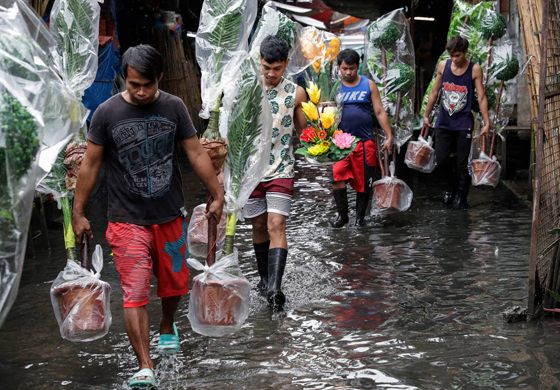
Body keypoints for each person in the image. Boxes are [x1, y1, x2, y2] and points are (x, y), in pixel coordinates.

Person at [72, 45, 224, 387]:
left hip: (169, 215)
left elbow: (196, 151)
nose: (140, 92)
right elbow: (91, 165)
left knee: (174, 285)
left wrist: (217, 194)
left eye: (147, 85)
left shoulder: (174, 106)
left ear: (160, 78)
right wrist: (78, 212)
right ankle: (145, 365)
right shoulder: (107, 113)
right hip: (125, 220)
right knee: (135, 290)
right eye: (133, 84)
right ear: (123, 78)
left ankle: (167, 324)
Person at [243, 35, 307, 311]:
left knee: (276, 226)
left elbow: (304, 132)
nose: (270, 74)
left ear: (286, 65)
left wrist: (325, 141)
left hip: (282, 168)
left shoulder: (296, 93)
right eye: (266, 67)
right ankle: (264, 279)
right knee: (258, 226)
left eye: (277, 68)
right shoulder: (247, 91)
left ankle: (275, 288)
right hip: (250, 172)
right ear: (259, 61)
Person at [423, 35, 490, 210]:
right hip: (444, 121)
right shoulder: (443, 66)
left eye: (458, 56)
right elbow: (434, 91)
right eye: (452, 55)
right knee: (442, 160)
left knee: (462, 162)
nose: (454, 59)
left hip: (464, 122)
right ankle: (451, 187)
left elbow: (481, 97)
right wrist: (426, 114)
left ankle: (462, 195)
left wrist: (486, 122)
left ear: (465, 53)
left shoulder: (474, 69)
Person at [331, 49, 393, 227]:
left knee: (364, 181)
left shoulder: (369, 84)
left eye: (351, 68)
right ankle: (342, 217)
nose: (347, 72)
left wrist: (388, 136)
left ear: (358, 67)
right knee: (337, 178)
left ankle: (360, 219)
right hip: (339, 144)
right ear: (339, 68)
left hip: (364, 142)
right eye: (344, 69)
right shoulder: (335, 87)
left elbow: (379, 111)